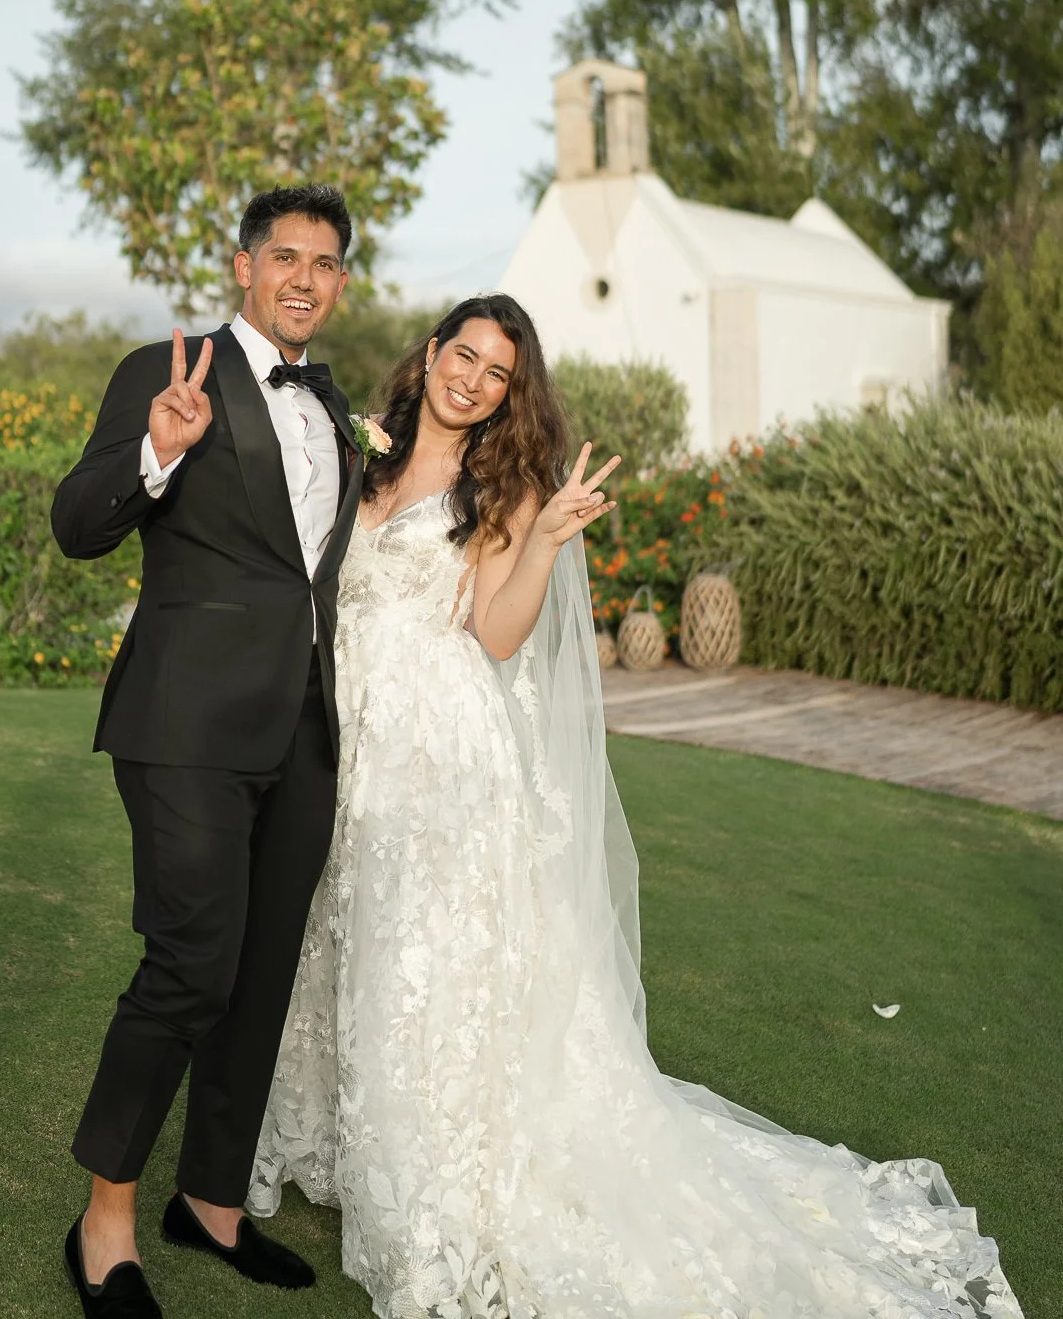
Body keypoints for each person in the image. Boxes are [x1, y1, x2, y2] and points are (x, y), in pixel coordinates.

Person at [251, 292, 1023, 1319]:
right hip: (350, 742)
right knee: (348, 931)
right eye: (464, 354)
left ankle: (433, 1171)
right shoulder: (366, 457)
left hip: (442, 752)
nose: (472, 378)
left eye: (497, 373)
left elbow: (495, 633)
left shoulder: (504, 487)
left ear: (508, 394)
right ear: (432, 351)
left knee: (424, 952)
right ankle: (344, 1137)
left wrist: (544, 540)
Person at [51, 184, 364, 1319]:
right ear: (243, 265)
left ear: (340, 282)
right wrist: (155, 449)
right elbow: (79, 521)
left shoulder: (335, 410)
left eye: (325, 262)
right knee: (191, 962)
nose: (303, 277)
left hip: (306, 733)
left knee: (262, 969)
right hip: (184, 726)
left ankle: (214, 1201)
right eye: (284, 254)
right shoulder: (165, 367)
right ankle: (107, 1223)